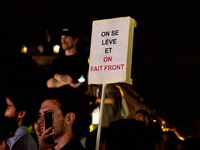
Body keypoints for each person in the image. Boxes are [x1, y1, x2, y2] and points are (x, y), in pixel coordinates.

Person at [46, 27, 89, 94]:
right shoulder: (56, 61)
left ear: (75, 40)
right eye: (61, 38)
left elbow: (73, 80)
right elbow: (49, 84)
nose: (63, 41)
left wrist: (55, 76)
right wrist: (69, 83)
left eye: (66, 37)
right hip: (57, 100)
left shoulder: (81, 60)